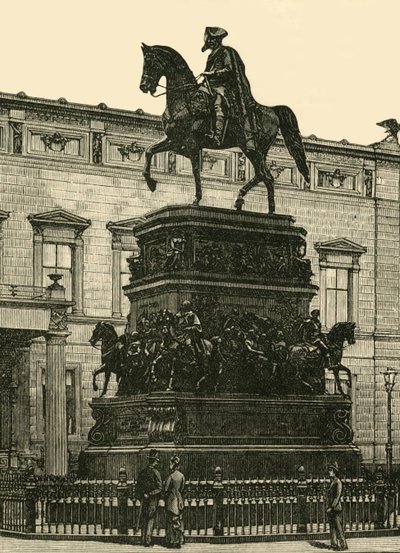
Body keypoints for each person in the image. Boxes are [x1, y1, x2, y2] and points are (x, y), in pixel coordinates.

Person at [200, 26, 257, 149]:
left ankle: (218, 137)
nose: (209, 42)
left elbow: (229, 69)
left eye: (212, 40)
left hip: (223, 87)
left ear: (217, 40)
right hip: (210, 86)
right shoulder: (211, 55)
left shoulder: (225, 52)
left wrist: (213, 73)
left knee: (218, 104)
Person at [135, 449, 163, 547]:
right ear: (155, 461)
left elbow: (138, 487)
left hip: (144, 499)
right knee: (150, 519)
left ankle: (143, 539)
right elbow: (159, 488)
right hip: (152, 500)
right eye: (156, 461)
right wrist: (150, 494)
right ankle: (147, 540)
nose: (156, 463)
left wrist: (143, 495)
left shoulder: (143, 472)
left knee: (144, 519)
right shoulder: (156, 473)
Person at [164, 455, 185, 548]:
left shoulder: (171, 476)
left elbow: (166, 489)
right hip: (179, 498)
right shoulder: (182, 476)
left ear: (173, 464)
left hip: (172, 499)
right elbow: (182, 488)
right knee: (178, 519)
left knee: (171, 520)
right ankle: (180, 539)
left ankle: (173, 540)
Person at [326, 462, 348, 551]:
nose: (329, 472)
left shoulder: (338, 482)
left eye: (330, 471)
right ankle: (334, 544)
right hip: (331, 507)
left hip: (335, 508)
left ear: (335, 472)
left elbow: (337, 496)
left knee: (338, 527)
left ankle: (343, 545)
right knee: (332, 527)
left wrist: (332, 507)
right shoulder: (333, 482)